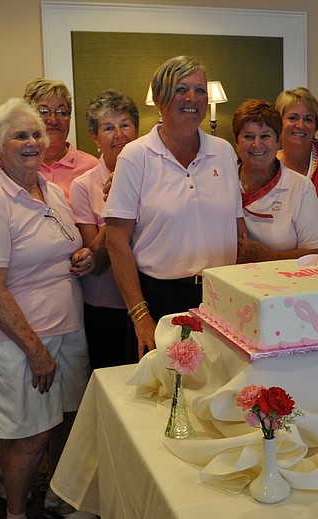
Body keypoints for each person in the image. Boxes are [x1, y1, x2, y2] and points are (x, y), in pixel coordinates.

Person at [0, 98, 98, 519]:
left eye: (36, 134)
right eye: (20, 136)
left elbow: (57, 249)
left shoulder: (51, 190)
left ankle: (58, 494)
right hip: (17, 341)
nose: (33, 142)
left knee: (63, 419)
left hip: (67, 326)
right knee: (29, 435)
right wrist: (36, 351)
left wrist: (80, 258)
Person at [104, 55, 246, 361]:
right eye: (181, 89)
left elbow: (238, 229)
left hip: (220, 298)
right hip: (159, 300)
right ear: (158, 98)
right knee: (162, 397)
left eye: (199, 90)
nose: (192, 99)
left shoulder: (223, 152)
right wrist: (141, 316)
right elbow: (115, 242)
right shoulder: (135, 156)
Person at [70, 90, 139, 368]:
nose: (119, 135)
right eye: (108, 128)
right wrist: (116, 206)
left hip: (149, 296)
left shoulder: (154, 176)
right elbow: (96, 264)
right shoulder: (83, 186)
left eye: (125, 125)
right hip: (106, 306)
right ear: (95, 138)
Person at [232, 99, 318, 262]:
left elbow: (315, 252)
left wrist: (267, 257)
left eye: (265, 136)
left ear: (277, 140)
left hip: (284, 283)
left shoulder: (300, 187)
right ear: (236, 141)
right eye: (248, 136)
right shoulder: (222, 180)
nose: (256, 144)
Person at [23, 77, 97, 201]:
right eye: (44, 111)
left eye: (62, 112)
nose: (53, 120)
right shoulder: (18, 166)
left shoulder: (91, 167)